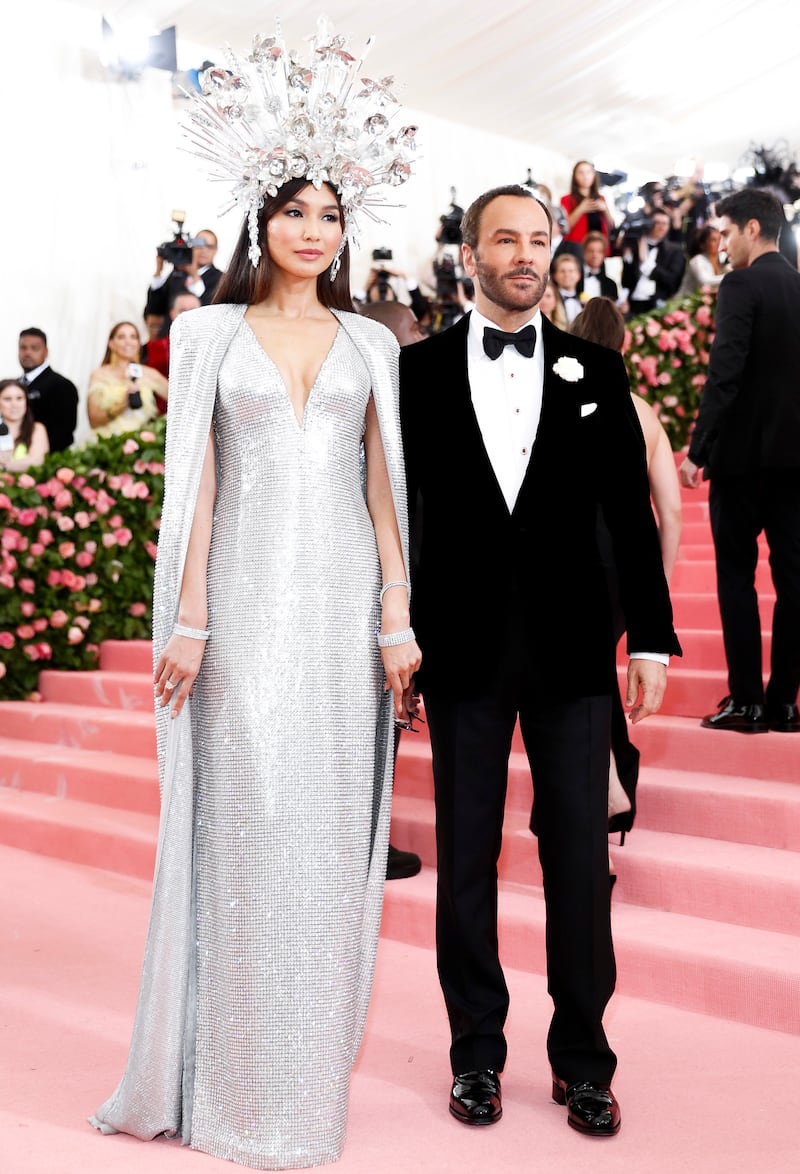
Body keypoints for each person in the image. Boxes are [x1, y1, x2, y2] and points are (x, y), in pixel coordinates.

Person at [90, 18, 420, 1170]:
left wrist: (396, 616)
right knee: (240, 828)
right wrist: (189, 618)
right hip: (231, 604)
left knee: (324, 840)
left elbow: (384, 493)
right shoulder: (205, 332)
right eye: (294, 211)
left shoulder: (372, 344)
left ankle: (297, 1088)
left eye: (330, 214)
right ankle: (220, 1085)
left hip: (338, 612)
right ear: (258, 219)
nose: (313, 230)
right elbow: (199, 487)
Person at [400, 185, 680, 1138]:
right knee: (466, 861)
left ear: (555, 253)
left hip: (572, 654)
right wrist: (391, 631)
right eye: (503, 239)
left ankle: (584, 1060)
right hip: (461, 649)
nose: (523, 254)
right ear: (470, 254)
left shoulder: (599, 369)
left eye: (536, 239)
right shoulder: (418, 373)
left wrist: (647, 635)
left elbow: (630, 522)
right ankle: (475, 1053)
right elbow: (398, 516)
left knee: (575, 861)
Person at [679, 188, 800, 734]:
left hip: (743, 460)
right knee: (796, 580)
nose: (722, 245)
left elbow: (725, 371)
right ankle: (786, 703)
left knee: (736, 576)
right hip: (796, 462)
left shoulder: (742, 283)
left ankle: (747, 702)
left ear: (753, 228)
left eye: (725, 233)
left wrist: (697, 449)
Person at [571, 297, 682, 847]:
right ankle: (607, 789)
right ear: (624, 344)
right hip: (623, 567)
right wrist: (653, 588)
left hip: (567, 562)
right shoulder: (643, 413)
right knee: (587, 673)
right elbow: (673, 511)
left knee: (581, 677)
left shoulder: (554, 401)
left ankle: (609, 784)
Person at [87, 322, 168, 437]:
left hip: (141, 444)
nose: (128, 342)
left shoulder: (150, 374)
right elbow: (93, 421)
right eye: (121, 337)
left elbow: (178, 401)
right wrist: (122, 405)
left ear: (138, 343)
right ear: (111, 343)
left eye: (133, 337)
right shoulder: (99, 375)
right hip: (108, 442)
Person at [17, 327, 79, 452]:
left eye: (34, 348)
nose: (28, 353)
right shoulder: (14, 386)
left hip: (46, 462)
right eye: (23, 348)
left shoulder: (62, 385)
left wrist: (37, 456)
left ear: (45, 352)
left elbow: (64, 434)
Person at [619, 208, 686, 316]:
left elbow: (672, 281)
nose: (661, 227)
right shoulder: (635, 246)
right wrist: (628, 256)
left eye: (665, 224)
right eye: (657, 223)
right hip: (633, 304)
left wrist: (645, 262)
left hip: (659, 305)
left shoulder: (674, 250)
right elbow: (626, 281)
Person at [145, 228, 224, 318]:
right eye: (199, 245)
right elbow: (154, 309)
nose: (203, 250)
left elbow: (207, 310)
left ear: (216, 250)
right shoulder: (177, 274)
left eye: (209, 247)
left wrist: (194, 275)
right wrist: (158, 272)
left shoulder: (222, 279)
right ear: (192, 247)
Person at [560, 160, 615, 245]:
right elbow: (564, 227)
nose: (585, 176)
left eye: (588, 172)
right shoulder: (566, 199)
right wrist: (580, 209)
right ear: (575, 176)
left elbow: (612, 226)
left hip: (599, 248)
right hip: (576, 247)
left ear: (594, 175)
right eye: (581, 173)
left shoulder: (601, 198)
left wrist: (605, 210)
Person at [0, 379, 50, 472]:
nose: (14, 405)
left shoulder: (37, 428)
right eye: (7, 399)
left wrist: (3, 467)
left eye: (19, 398)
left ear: (26, 401)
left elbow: (37, 461)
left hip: (26, 486)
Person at [677, 223, 727, 297]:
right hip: (683, 303)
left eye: (719, 239)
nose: (718, 243)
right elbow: (706, 282)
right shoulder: (697, 260)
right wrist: (731, 276)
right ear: (702, 245)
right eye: (713, 240)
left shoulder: (720, 261)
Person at [581, 232, 619, 302]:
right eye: (591, 251)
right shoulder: (575, 280)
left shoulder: (611, 285)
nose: (595, 255)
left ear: (604, 254)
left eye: (599, 251)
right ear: (584, 252)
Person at [551, 253, 584, 325]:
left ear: (578, 275)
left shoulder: (585, 301)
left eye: (571, 271)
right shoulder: (550, 300)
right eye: (562, 271)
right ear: (555, 276)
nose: (567, 275)